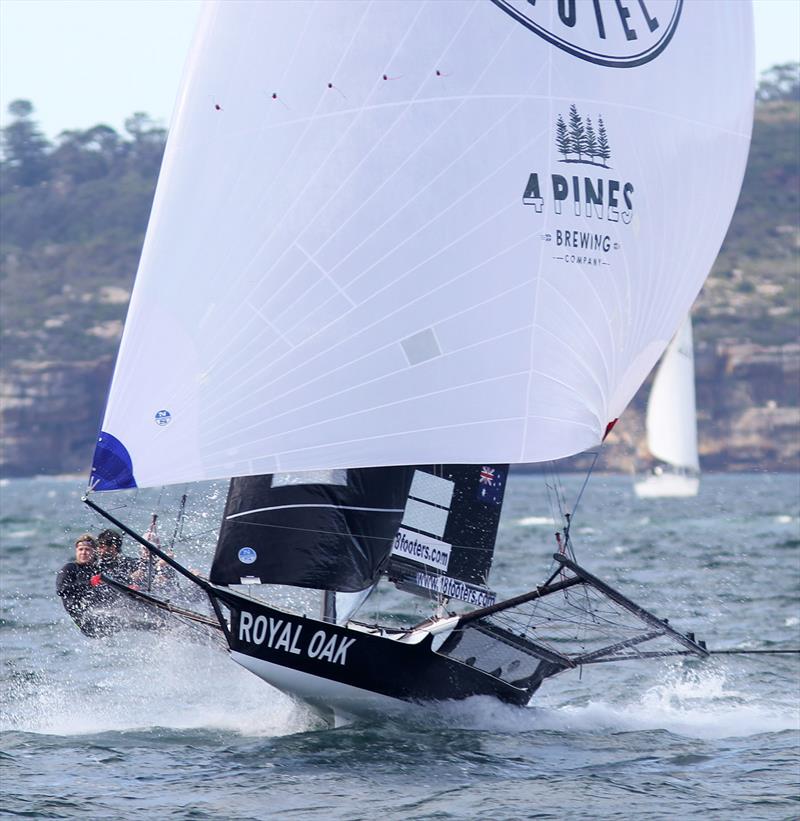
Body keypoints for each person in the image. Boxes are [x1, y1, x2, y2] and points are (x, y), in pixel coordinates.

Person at [56, 534, 103, 635]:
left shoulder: (97, 569)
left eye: (87, 549)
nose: (83, 553)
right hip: (82, 618)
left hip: (100, 612)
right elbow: (61, 590)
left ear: (94, 552)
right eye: (80, 549)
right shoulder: (69, 568)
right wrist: (89, 583)